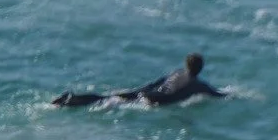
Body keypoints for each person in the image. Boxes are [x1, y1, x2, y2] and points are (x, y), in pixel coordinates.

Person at [54, 53, 227, 109]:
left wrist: (141, 90)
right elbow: (219, 95)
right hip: (155, 100)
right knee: (110, 103)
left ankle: (72, 98)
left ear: (186, 64)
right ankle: (72, 101)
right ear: (201, 68)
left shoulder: (177, 72)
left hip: (146, 92)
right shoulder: (199, 85)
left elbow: (155, 83)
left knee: (107, 97)